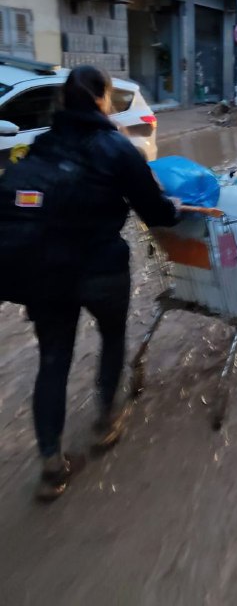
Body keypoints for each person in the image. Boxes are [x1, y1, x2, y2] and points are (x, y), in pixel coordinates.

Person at [23, 66, 179, 500]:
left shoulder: (41, 145)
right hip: (100, 269)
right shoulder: (116, 147)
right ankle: (106, 419)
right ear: (99, 99)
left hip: (45, 272)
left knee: (52, 360)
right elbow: (157, 212)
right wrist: (177, 210)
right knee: (112, 337)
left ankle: (51, 463)